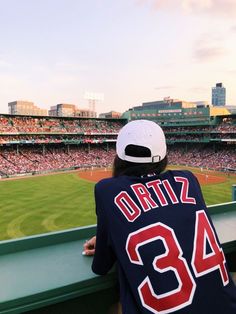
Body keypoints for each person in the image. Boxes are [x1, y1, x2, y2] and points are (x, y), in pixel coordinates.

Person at [83, 120, 236, 314]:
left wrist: (111, 238)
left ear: (119, 156)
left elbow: (101, 266)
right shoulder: (188, 179)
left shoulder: (107, 190)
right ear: (163, 155)